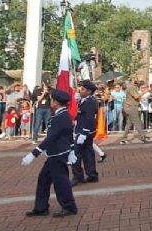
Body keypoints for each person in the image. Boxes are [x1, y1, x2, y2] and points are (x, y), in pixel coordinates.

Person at [22, 89, 78, 217]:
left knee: (61, 181)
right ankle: (41, 207)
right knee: (43, 179)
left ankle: (69, 207)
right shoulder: (61, 115)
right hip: (55, 153)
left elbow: (51, 138)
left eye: (52, 99)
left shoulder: (61, 117)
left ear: (56, 102)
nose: (50, 102)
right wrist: (72, 149)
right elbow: (69, 135)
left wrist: (34, 154)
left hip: (58, 154)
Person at [71, 80, 99, 185]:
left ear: (89, 91)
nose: (80, 90)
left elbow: (89, 119)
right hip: (83, 130)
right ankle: (92, 175)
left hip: (84, 131)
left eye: (83, 89)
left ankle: (78, 176)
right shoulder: (85, 100)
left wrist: (83, 133)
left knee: (75, 154)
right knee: (87, 154)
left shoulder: (89, 102)